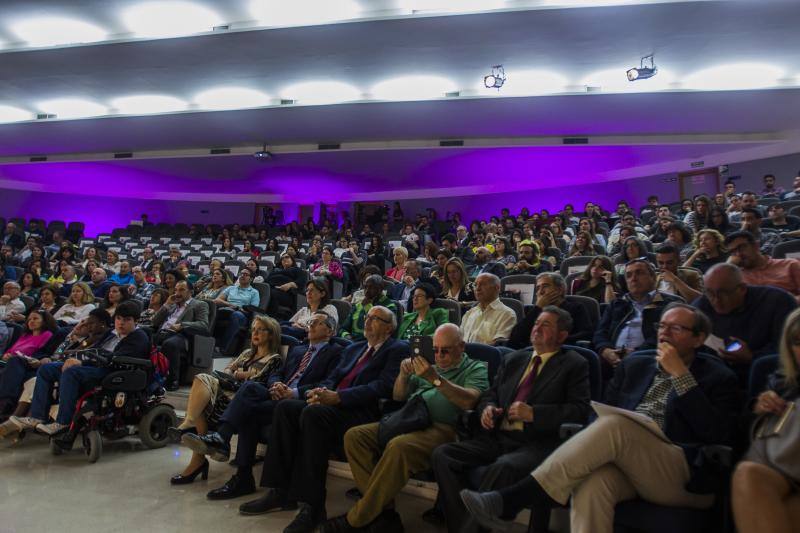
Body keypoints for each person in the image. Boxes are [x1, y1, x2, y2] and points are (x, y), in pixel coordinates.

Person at [460, 304, 741, 533]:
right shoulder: (636, 365)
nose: (664, 333)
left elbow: (716, 433)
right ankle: (509, 501)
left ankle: (512, 500)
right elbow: (601, 410)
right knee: (593, 484)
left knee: (617, 425)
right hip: (628, 463)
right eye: (662, 326)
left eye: (676, 328)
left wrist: (681, 376)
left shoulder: (718, 377)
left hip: (682, 471)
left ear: (699, 338)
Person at [235, 306, 407, 533]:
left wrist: (338, 397)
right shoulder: (355, 348)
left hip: (361, 411)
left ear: (389, 327)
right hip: (332, 404)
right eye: (367, 317)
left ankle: (312, 507)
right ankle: (280, 491)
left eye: (375, 319)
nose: (367, 321)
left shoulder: (397, 348)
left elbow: (383, 386)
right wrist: (318, 393)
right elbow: (332, 378)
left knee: (312, 414)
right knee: (286, 408)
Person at [431, 306, 591, 532]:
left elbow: (579, 410)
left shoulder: (574, 364)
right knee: (444, 455)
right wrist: (488, 409)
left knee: (504, 466)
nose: (537, 328)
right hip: (497, 435)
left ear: (562, 335)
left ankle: (472, 528)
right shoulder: (515, 358)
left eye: (545, 325)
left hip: (535, 442)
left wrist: (534, 413)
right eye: (536, 323)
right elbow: (491, 394)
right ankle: (463, 527)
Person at [323, 324, 489, 532]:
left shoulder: (475, 368)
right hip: (408, 419)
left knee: (398, 446)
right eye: (435, 349)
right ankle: (384, 513)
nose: (438, 355)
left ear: (461, 347)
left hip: (443, 428)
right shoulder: (428, 365)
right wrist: (402, 375)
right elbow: (398, 396)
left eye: (445, 350)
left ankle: (356, 518)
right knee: (355, 437)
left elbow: (470, 401)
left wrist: (434, 379)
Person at [184, 312, 344, 499]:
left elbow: (328, 383)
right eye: (310, 322)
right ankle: (223, 440)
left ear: (330, 331)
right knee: (250, 387)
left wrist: (292, 392)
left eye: (316, 323)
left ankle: (239, 471)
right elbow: (278, 373)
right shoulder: (298, 349)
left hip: (299, 400)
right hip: (276, 393)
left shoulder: (336, 352)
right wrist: (275, 384)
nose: (311, 325)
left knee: (248, 412)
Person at [169, 315, 283, 484]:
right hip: (229, 392)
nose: (255, 333)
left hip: (243, 399)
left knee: (202, 397)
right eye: (253, 330)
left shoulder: (274, 359)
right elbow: (229, 369)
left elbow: (257, 381)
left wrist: (238, 374)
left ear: (272, 334)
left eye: (260, 329)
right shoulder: (246, 353)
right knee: (201, 382)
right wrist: (239, 374)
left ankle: (196, 452)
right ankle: (196, 436)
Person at [8, 301, 149, 436]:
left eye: (127, 319)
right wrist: (76, 358)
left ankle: (63, 421)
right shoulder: (111, 333)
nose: (121, 323)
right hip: (93, 365)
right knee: (47, 369)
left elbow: (114, 359)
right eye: (118, 318)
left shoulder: (138, 337)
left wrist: (82, 363)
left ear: (135, 321)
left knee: (71, 372)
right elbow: (93, 349)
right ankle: (37, 417)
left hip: (112, 371)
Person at [732, 307, 800, 533]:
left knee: (787, 510)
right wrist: (758, 409)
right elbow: (743, 439)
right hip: (785, 464)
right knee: (747, 474)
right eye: (797, 342)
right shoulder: (781, 381)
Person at [694, 263, 797, 384]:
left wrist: (752, 356)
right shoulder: (702, 305)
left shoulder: (777, 302)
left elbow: (789, 349)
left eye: (723, 293)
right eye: (710, 293)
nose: (716, 300)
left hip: (768, 378)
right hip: (717, 379)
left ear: (742, 289)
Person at [593, 259, 682, 372]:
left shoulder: (669, 305)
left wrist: (636, 353)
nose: (633, 278)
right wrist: (605, 350)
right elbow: (600, 332)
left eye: (639, 273)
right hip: (611, 361)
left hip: (650, 362)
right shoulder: (617, 304)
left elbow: (666, 337)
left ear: (653, 278)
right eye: (629, 275)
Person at [152, 280, 210, 390]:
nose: (177, 293)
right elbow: (154, 322)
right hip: (161, 333)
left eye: (182, 290)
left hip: (181, 335)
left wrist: (182, 325)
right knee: (142, 335)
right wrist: (166, 305)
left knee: (170, 344)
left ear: (191, 292)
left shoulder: (200, 304)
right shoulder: (172, 305)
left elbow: (204, 325)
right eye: (176, 290)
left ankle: (172, 380)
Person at [509, 273, 593, 348]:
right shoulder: (532, 310)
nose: (540, 292)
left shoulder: (576, 308)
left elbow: (586, 334)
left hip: (561, 352)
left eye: (545, 286)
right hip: (530, 352)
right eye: (538, 288)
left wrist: (552, 340)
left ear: (560, 290)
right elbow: (514, 338)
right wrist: (538, 308)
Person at [0, 310, 58, 416]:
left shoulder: (47, 334)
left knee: (14, 361)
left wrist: (13, 357)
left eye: (35, 319)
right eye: (29, 319)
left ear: (44, 321)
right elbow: (10, 350)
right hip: (9, 361)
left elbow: (40, 353)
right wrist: (6, 355)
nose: (31, 321)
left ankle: (5, 403)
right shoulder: (25, 335)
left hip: (26, 363)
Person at [726, 230, 800, 300]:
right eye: (733, 252)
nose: (738, 254)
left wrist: (786, 301)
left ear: (756, 246)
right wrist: (727, 267)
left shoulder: (790, 265)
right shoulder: (736, 277)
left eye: (741, 247)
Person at [459, 273, 516, 346]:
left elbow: (498, 347)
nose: (478, 288)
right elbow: (459, 339)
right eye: (475, 285)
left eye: (483, 284)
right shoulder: (470, 313)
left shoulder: (507, 314)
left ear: (497, 288)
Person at [214, 270, 260, 356]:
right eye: (241, 274)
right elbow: (217, 300)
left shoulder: (254, 292)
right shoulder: (231, 288)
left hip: (242, 314)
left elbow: (253, 309)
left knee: (236, 315)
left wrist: (238, 308)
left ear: (251, 279)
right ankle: (208, 342)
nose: (242, 276)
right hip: (226, 310)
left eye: (246, 274)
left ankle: (222, 348)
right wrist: (231, 305)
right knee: (212, 313)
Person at [339, 275, 397, 341]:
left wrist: (367, 307)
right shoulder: (358, 305)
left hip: (371, 343)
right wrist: (347, 336)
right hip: (350, 342)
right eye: (365, 287)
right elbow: (342, 329)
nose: (367, 291)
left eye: (371, 288)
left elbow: (381, 330)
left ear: (380, 289)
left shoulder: (389, 306)